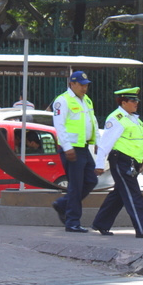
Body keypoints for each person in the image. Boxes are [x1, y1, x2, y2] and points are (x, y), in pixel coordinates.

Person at [92, 87, 143, 238]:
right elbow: (105, 143)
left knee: (120, 194)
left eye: (136, 100)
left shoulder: (134, 118)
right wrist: (100, 164)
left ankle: (101, 223)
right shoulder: (117, 118)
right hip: (121, 160)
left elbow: (138, 142)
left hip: (132, 162)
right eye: (133, 100)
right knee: (133, 195)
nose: (136, 103)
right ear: (123, 102)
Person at [51, 71, 99, 233]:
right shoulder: (62, 100)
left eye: (86, 85)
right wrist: (67, 147)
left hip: (83, 147)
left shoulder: (86, 101)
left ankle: (63, 204)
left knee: (91, 180)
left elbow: (93, 122)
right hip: (71, 149)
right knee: (76, 186)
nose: (84, 88)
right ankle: (72, 222)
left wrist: (97, 141)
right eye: (81, 85)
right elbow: (59, 125)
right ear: (72, 84)